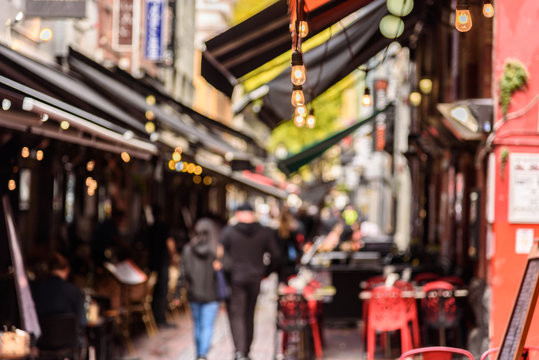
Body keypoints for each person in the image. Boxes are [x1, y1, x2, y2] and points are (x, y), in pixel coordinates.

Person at [219, 203, 280, 360]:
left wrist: (228, 271)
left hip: (236, 278)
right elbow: (276, 255)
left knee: (236, 314)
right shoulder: (264, 232)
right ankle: (246, 350)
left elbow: (220, 255)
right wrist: (265, 272)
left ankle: (240, 351)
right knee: (249, 314)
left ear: (238, 214)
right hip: (255, 277)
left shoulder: (229, 232)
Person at [176, 218, 222, 360]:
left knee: (198, 325)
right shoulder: (216, 251)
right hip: (211, 294)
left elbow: (182, 275)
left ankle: (199, 353)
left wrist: (177, 294)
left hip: (194, 294)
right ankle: (202, 355)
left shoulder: (187, 249)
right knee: (207, 326)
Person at [31, 252, 86, 334]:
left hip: (42, 340)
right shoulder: (74, 291)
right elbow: (82, 321)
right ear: (67, 270)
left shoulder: (35, 289)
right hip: (69, 341)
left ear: (49, 269)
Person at [147, 205, 177, 328]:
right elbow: (170, 243)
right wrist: (174, 256)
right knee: (162, 290)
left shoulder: (151, 228)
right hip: (162, 262)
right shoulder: (163, 227)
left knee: (154, 291)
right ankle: (160, 319)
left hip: (153, 262)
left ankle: (156, 316)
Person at [276, 208, 305, 284]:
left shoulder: (277, 232)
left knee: (283, 285)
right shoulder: (293, 232)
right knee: (292, 284)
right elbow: (298, 246)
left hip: (281, 263)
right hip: (290, 262)